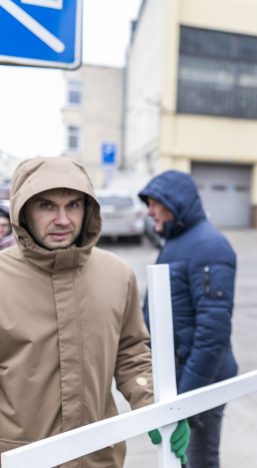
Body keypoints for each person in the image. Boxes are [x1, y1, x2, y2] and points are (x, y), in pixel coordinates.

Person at [0, 157, 189, 467]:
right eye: (47, 206)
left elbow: (131, 353)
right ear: (23, 211)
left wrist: (158, 405)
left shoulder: (116, 274)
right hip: (20, 457)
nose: (63, 220)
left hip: (99, 457)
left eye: (73, 205)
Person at [139, 170, 238, 468]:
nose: (149, 211)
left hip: (202, 380)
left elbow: (212, 336)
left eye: (155, 203)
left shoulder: (209, 246)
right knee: (181, 458)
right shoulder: (178, 240)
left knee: (200, 459)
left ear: (176, 202)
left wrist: (186, 402)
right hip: (181, 375)